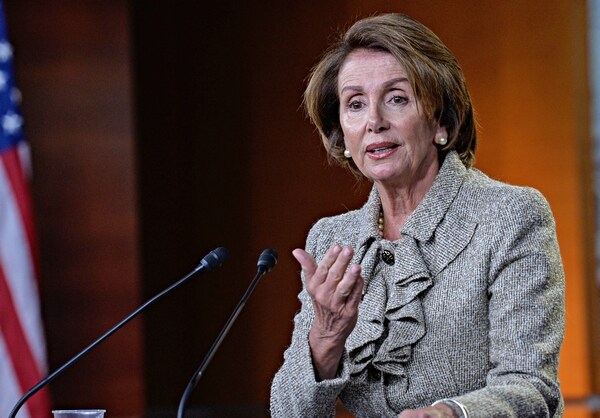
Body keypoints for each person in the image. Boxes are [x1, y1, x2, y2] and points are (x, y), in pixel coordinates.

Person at [269, 12, 565, 418]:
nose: (374, 122)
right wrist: (326, 336)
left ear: (441, 121)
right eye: (355, 104)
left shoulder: (510, 217)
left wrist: (450, 413)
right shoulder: (331, 240)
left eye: (397, 98)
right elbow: (288, 413)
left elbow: (533, 389)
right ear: (343, 136)